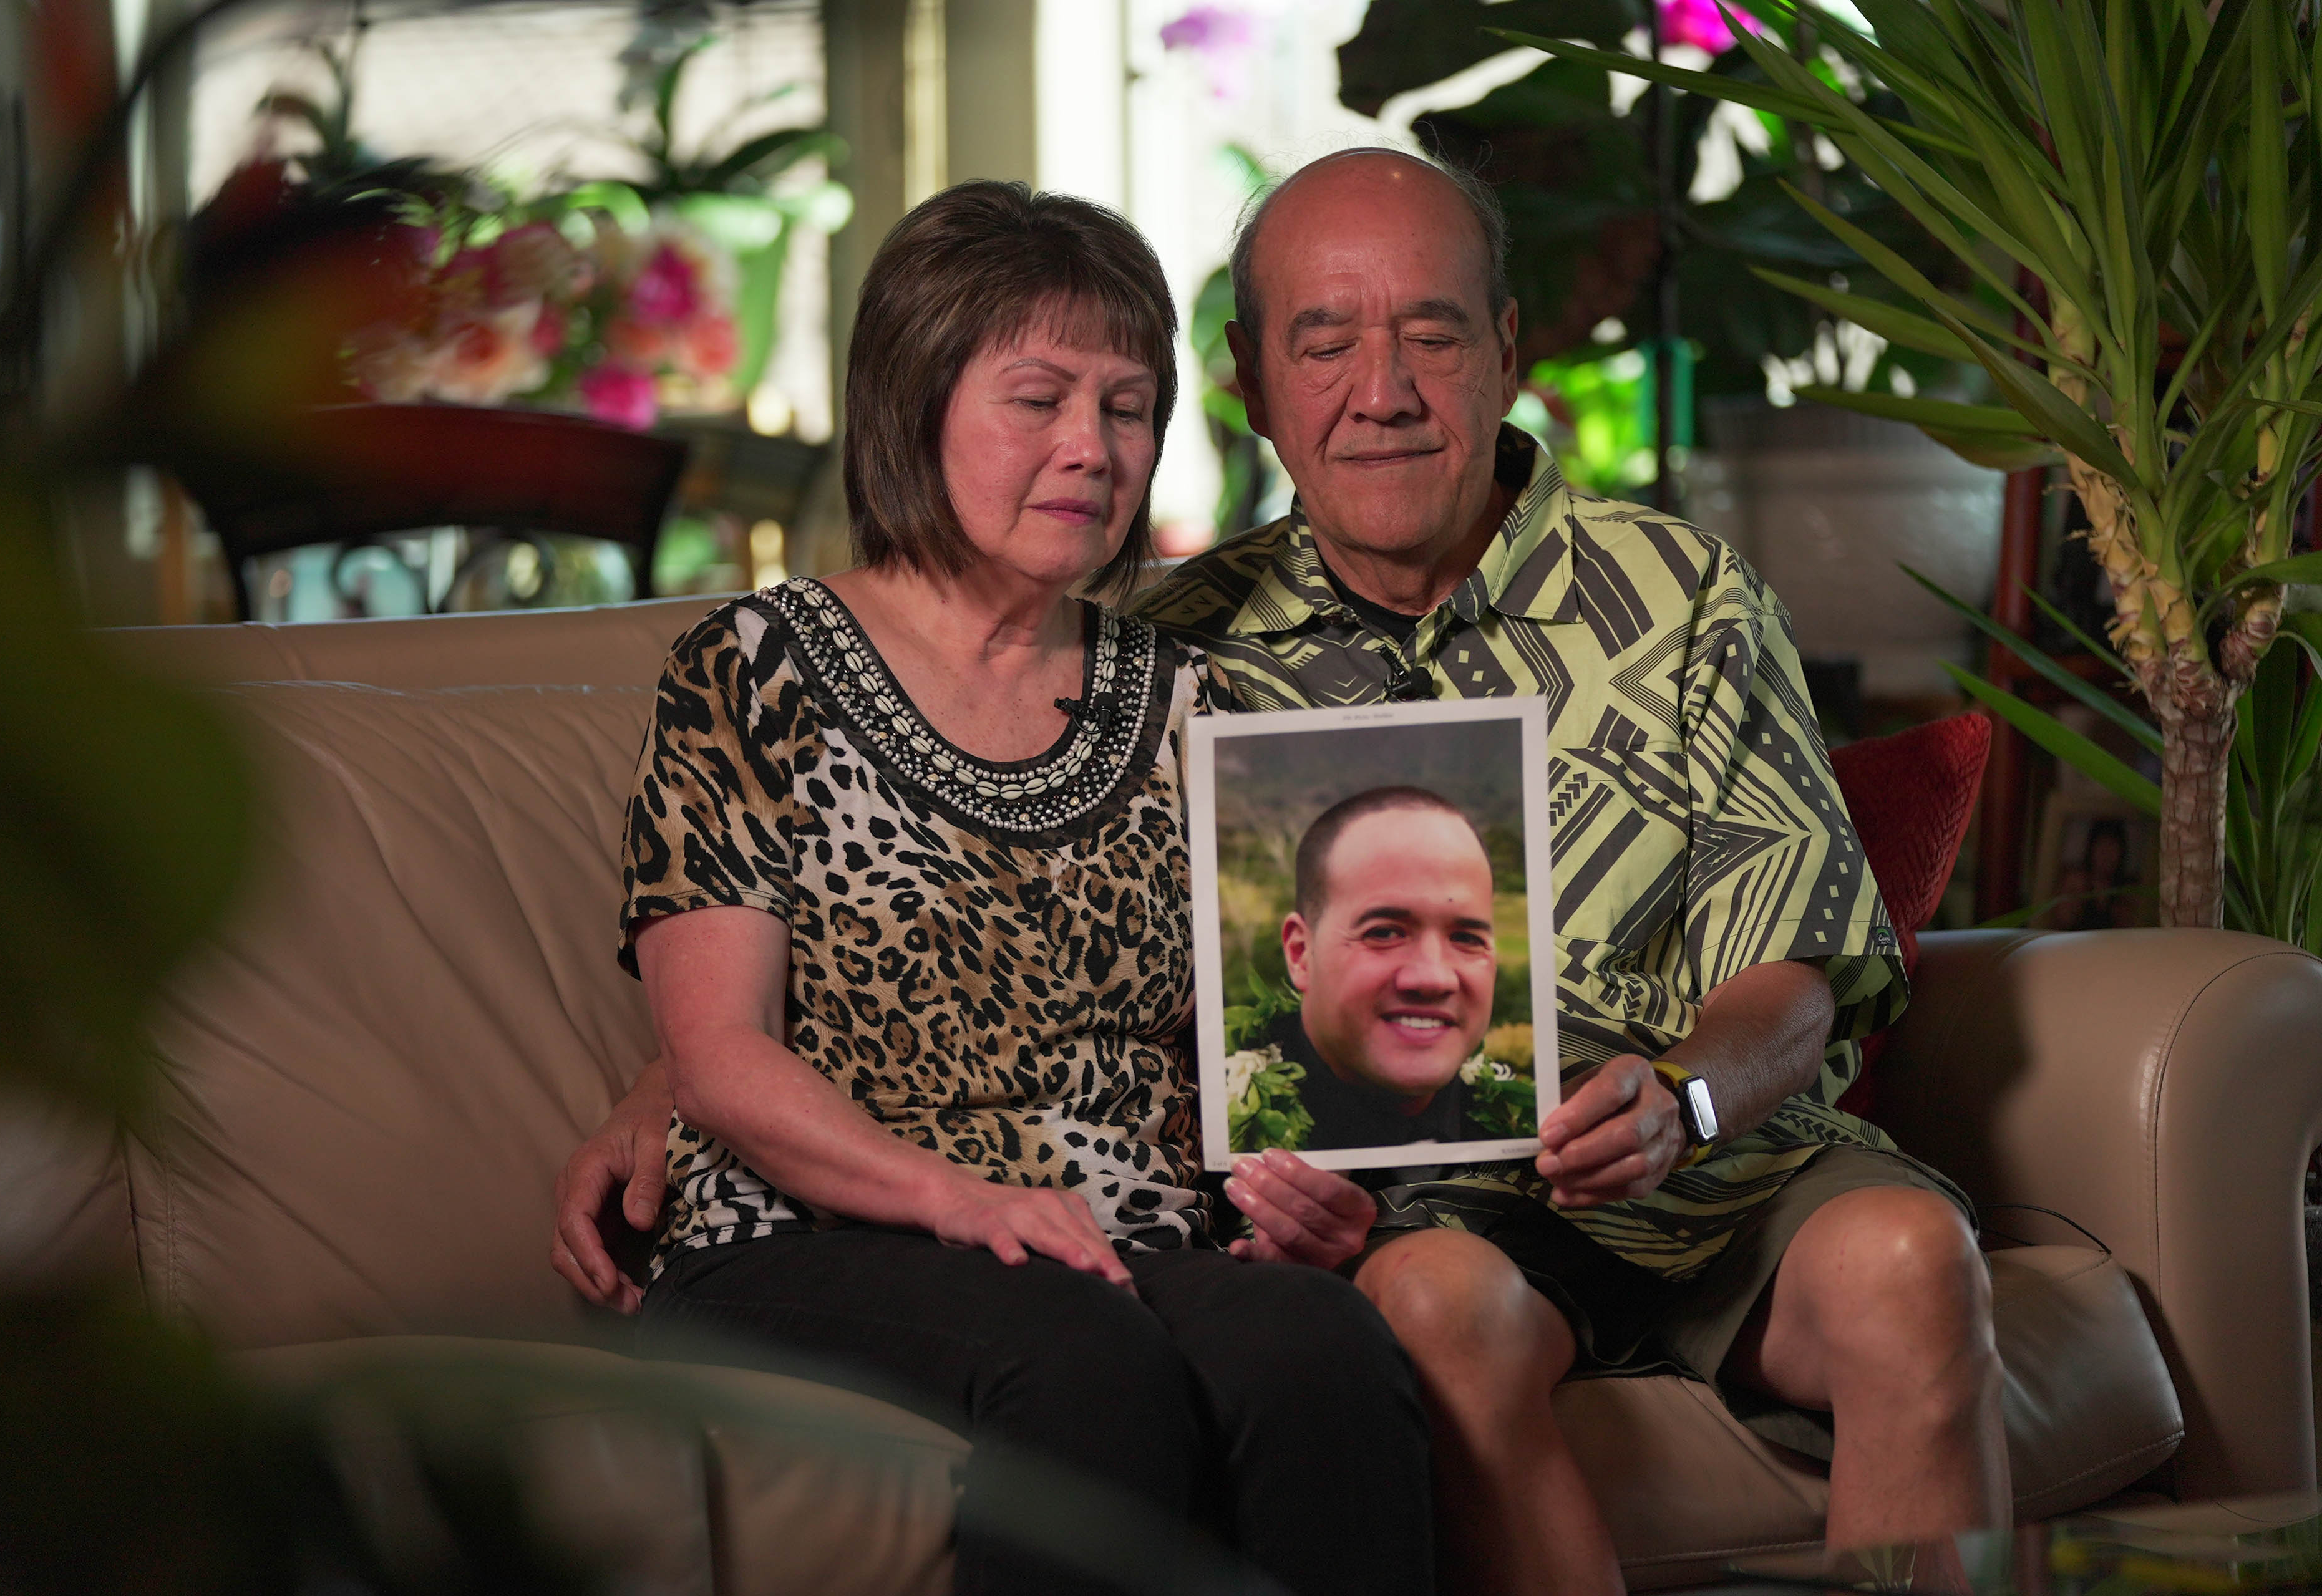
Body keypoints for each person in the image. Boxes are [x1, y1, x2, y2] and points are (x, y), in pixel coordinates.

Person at [559, 151, 2006, 1595]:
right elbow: (864, 923)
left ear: (1507, 351)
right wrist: (675, 1074)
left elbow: (1796, 963)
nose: (1383, 392)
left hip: (1701, 1169)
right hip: (1442, 1219)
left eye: (1431, 335)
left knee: (1899, 1261)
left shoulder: (1660, 598)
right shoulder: (1184, 640)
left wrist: (1683, 1097)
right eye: (1325, 345)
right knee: (1369, 1316)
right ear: (1253, 383)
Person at [608, 179, 1431, 1596]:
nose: (1090, 447)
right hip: (811, 1238)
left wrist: (1309, 1190)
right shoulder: (750, 668)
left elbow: (1256, 1057)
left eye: (1127, 407)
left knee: (1321, 1344)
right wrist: (964, 1198)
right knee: (1081, 1355)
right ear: (913, 403)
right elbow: (717, 1057)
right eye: (1038, 399)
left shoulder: (1196, 702)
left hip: (1115, 1232)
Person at [1273, 786, 1499, 1151]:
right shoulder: (1196, 1128)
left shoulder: (1538, 1129)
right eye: (1384, 933)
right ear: (1301, 954)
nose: (1433, 978)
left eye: (1466, 938)